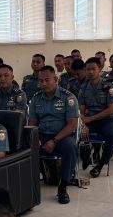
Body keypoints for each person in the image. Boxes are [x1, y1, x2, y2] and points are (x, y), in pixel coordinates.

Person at [28, 65, 79, 204]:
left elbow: (71, 125)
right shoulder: (36, 98)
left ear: (55, 79)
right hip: (42, 135)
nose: (43, 84)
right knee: (25, 147)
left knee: (71, 147)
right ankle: (29, 184)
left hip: (62, 136)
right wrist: (35, 138)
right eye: (41, 80)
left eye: (47, 80)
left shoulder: (68, 97)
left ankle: (63, 186)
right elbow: (32, 122)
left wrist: (54, 141)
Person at [78, 58, 113, 178]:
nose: (91, 72)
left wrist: (90, 119)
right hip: (89, 120)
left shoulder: (109, 87)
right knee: (75, 131)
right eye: (88, 69)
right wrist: (83, 124)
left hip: (107, 120)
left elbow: (111, 110)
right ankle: (84, 153)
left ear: (100, 69)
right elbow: (81, 110)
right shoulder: (83, 88)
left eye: (93, 69)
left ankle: (100, 164)